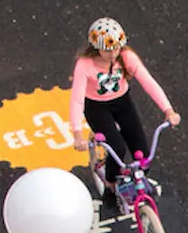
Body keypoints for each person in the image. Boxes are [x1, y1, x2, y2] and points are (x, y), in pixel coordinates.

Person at [70, 17, 179, 187]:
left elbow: (148, 83)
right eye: (107, 50)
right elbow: (77, 100)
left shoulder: (126, 57)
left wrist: (168, 110)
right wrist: (77, 134)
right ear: (96, 47)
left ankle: (137, 188)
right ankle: (111, 185)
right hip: (96, 107)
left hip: (122, 102)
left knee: (142, 153)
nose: (113, 54)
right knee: (117, 149)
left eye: (116, 49)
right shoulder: (84, 65)